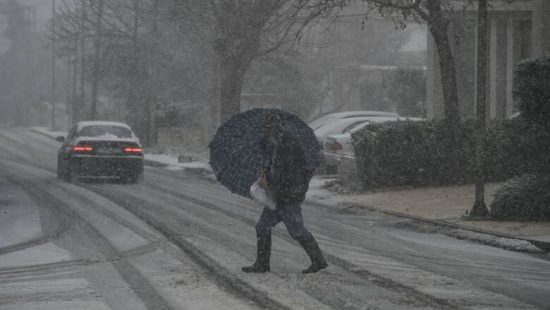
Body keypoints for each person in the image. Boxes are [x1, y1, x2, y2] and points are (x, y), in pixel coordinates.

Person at [242, 112, 328, 274]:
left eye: (269, 128)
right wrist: (265, 177)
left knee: (297, 230)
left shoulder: (291, 145)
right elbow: (271, 167)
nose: (267, 132)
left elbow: (300, 171)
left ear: (277, 128)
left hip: (288, 197)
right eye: (266, 129)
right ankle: (262, 264)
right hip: (276, 196)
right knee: (262, 227)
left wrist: (293, 189)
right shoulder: (269, 145)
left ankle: (319, 260)